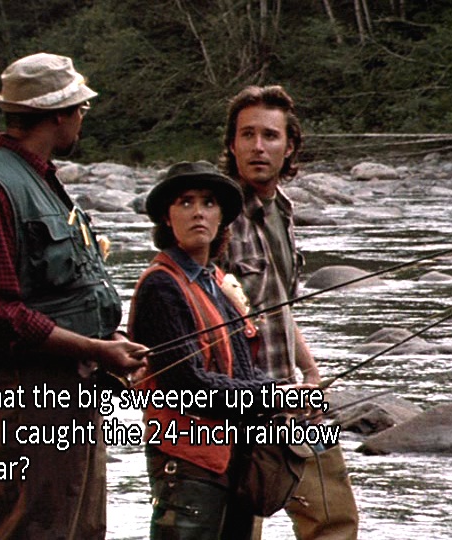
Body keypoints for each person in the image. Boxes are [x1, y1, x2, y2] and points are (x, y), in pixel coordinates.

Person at [0, 52, 148, 540]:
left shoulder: (37, 179)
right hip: (22, 398)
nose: (82, 119)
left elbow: (54, 293)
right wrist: (94, 349)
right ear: (57, 116)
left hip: (65, 390)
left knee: (80, 528)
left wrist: (107, 340)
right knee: (32, 528)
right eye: (80, 109)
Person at [128, 161, 310, 540]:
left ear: (222, 217)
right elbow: (186, 384)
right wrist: (271, 395)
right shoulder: (161, 286)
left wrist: (284, 393)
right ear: (167, 218)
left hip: (230, 457)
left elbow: (243, 369)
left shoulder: (218, 281)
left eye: (209, 203)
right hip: (186, 461)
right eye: (186, 202)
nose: (198, 212)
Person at [218, 85, 359, 540]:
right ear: (232, 144)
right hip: (239, 407)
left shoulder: (283, 210)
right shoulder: (217, 216)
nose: (258, 147)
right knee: (239, 529)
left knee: (334, 519)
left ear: (290, 146)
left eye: (270, 136)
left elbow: (279, 307)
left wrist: (311, 371)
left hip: (294, 400)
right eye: (247, 135)